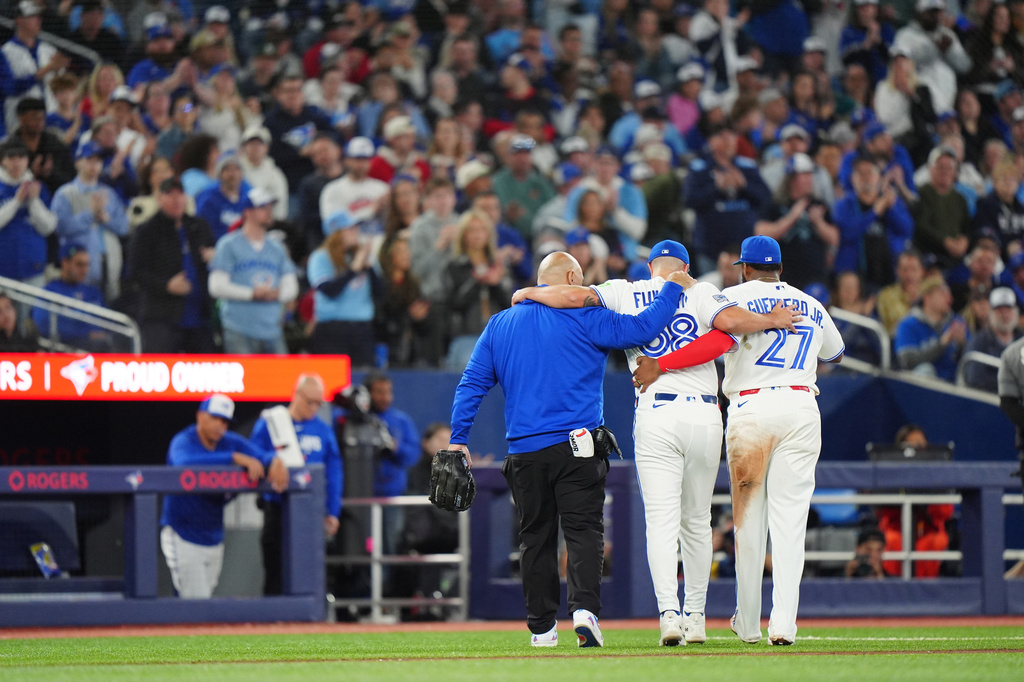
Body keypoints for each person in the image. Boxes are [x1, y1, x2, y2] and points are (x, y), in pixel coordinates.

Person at [511, 240, 799, 647]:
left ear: (650, 267)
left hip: (656, 412)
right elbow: (730, 326)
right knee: (697, 521)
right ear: (684, 266)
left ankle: (669, 615)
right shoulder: (699, 291)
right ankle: (696, 617)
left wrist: (529, 292)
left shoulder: (625, 290)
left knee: (661, 521)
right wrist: (771, 318)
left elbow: (573, 295)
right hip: (703, 412)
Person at [449, 250, 690, 648]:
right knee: (583, 532)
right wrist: (671, 290)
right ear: (574, 277)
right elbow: (645, 328)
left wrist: (459, 438)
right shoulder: (585, 315)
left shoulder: (500, 324)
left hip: (524, 451)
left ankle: (542, 629)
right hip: (577, 445)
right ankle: (584, 613)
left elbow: (472, 383)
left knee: (535, 538)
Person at [633, 235, 844, 645]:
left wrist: (663, 363)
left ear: (745, 267)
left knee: (749, 523)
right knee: (790, 523)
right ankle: (783, 624)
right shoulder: (811, 304)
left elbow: (718, 338)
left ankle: (748, 623)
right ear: (779, 268)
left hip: (750, 410)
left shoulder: (732, 297)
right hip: (802, 406)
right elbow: (834, 354)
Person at [160, 393, 287, 599]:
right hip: (182, 531)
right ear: (201, 416)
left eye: (225, 421)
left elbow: (261, 455)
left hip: (213, 534)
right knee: (196, 602)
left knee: (202, 599)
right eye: (215, 418)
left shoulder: (229, 441)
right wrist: (233, 458)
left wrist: (275, 461)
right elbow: (184, 465)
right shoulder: (184, 440)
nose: (220, 425)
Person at [250, 374, 343, 596]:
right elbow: (252, 452)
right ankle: (273, 619)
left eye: (318, 403)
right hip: (277, 507)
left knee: (307, 569)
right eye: (309, 401)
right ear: (296, 394)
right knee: (275, 568)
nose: (313, 407)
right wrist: (271, 459)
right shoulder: (272, 422)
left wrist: (333, 511)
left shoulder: (323, 430)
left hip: (310, 511)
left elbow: (334, 471)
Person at [128, 178, 217, 354]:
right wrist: (166, 285)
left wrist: (215, 257)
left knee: (206, 373)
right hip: (162, 317)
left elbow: (214, 257)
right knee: (160, 371)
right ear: (159, 199)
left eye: (180, 194)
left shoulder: (199, 226)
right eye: (170, 195)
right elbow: (135, 272)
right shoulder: (146, 231)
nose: (176, 199)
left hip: (199, 315)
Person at [208, 188, 299, 355]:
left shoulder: (277, 247)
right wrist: (252, 294)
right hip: (239, 328)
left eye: (270, 207)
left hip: (272, 327)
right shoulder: (228, 244)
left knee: (281, 379)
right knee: (245, 380)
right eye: (263, 208)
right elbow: (216, 286)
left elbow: (291, 285)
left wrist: (278, 295)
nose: (269, 212)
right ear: (247, 212)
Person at [31, 242, 112, 352]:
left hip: (99, 348)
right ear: (65, 263)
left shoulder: (93, 291)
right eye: (79, 264)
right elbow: (43, 323)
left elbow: (108, 322)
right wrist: (86, 334)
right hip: (66, 348)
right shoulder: (51, 290)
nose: (84, 270)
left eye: (87, 264)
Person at [0, 137, 56, 287]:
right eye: (11, 157)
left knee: (33, 310)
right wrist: (17, 201)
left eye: (21, 157)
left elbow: (49, 227)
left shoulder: (39, 188)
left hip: (33, 268)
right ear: (3, 161)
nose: (16, 162)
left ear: (27, 161)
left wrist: (33, 201)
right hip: (2, 270)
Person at [894, 275, 969, 381]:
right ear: (927, 297)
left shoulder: (957, 322)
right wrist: (942, 344)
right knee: (925, 369)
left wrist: (962, 344)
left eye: (949, 294)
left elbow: (971, 360)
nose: (949, 298)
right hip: (923, 387)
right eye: (942, 293)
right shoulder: (908, 324)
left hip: (954, 384)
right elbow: (908, 361)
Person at [965, 287, 1023, 392]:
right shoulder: (979, 342)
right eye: (999, 310)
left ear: (1015, 312)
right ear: (991, 313)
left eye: (1008, 309)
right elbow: (974, 380)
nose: (1004, 315)